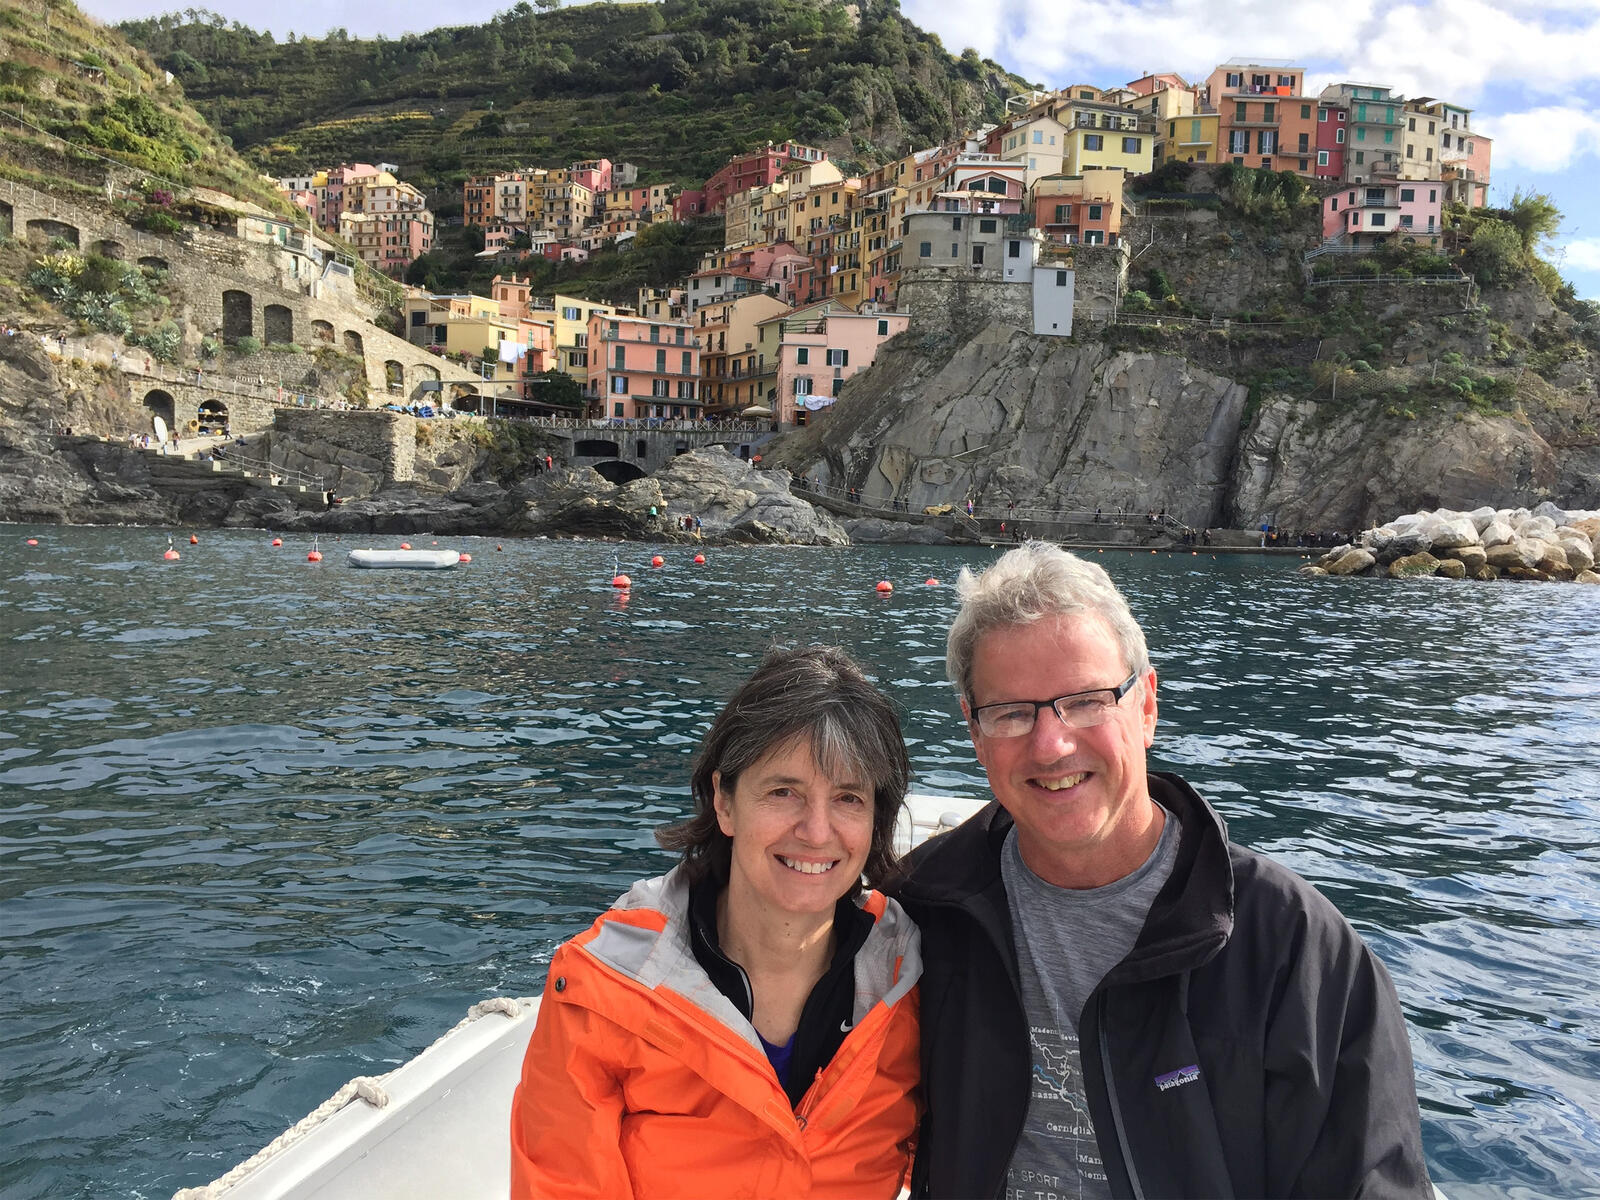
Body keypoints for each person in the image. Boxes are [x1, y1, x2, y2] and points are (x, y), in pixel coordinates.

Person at [892, 542, 1430, 1199]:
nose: (1052, 744)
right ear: (976, 736)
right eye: (1011, 713)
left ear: (1145, 705)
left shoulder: (1294, 949)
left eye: (1087, 701)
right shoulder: (919, 911)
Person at [510, 646, 923, 1199]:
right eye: (784, 792)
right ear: (723, 801)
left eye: (848, 798)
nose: (817, 831)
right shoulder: (604, 990)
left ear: (876, 821)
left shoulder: (912, 980)